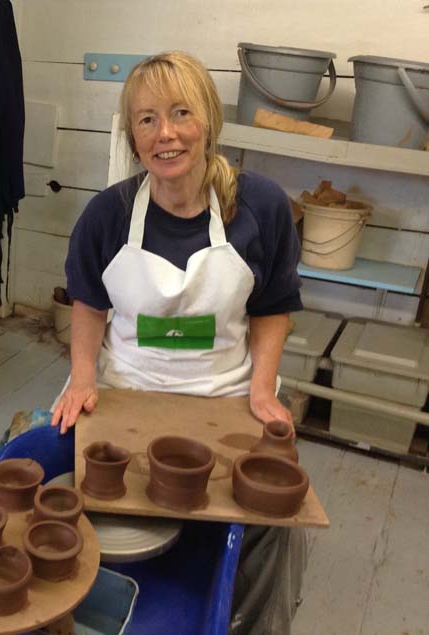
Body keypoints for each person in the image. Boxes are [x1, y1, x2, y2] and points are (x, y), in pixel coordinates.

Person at [51, 52, 305, 634]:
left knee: (268, 517)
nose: (164, 134)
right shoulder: (107, 215)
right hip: (124, 390)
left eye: (180, 113)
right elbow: (89, 302)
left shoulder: (259, 206)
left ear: (208, 121)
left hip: (223, 396)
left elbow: (273, 308)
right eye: (145, 120)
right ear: (133, 136)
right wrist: (83, 380)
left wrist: (262, 390)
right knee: (53, 467)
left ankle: (232, 617)